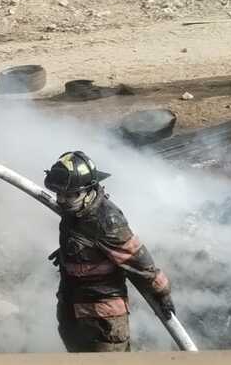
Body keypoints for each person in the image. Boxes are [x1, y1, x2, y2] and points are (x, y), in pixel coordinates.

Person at [44, 151, 174, 352]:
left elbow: (139, 261)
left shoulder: (107, 222)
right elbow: (88, 241)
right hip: (72, 305)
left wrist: (161, 292)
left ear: (88, 191)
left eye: (70, 195)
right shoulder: (76, 210)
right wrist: (70, 252)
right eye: (59, 194)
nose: (62, 200)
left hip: (102, 316)